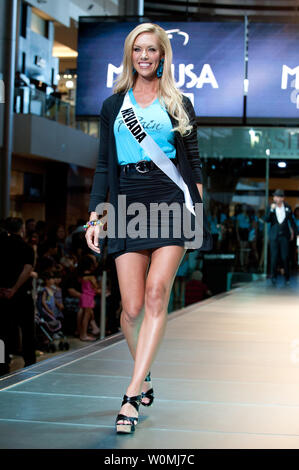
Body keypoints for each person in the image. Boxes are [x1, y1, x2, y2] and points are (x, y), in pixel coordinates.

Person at [85, 23, 212, 434]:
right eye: (138, 49)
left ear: (162, 56)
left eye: (151, 50)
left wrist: (197, 212)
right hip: (126, 201)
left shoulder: (179, 103)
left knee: (158, 293)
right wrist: (95, 215)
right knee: (132, 309)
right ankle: (146, 372)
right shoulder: (112, 106)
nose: (144, 56)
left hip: (169, 198)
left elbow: (193, 163)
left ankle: (131, 395)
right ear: (130, 55)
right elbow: (104, 165)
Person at [0, 218, 36, 375]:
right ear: (22, 228)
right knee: (27, 328)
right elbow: (27, 269)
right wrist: (14, 288)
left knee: (2, 330)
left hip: (2, 295)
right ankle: (30, 362)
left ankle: (2, 362)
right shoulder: (26, 247)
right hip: (21, 294)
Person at [265, 189, 297, 285]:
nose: (275, 198)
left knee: (285, 256)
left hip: (284, 235)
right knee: (274, 256)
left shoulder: (287, 207)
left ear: (282, 198)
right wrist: (271, 210)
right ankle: (273, 277)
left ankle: (287, 277)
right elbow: (267, 219)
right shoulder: (270, 207)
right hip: (274, 235)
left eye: (278, 196)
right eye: (275, 196)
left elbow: (291, 221)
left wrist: (296, 232)